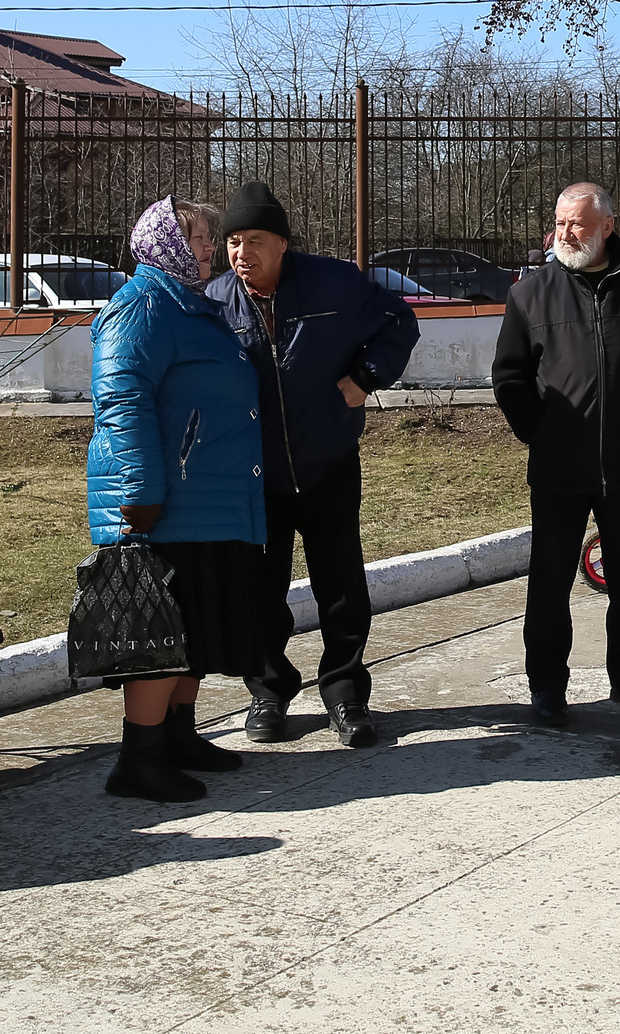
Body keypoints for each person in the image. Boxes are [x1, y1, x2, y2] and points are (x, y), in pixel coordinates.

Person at [205, 180, 419, 750]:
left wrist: (366, 378)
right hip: (256, 475)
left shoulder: (334, 283)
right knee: (260, 587)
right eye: (231, 241)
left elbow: (398, 322)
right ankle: (267, 692)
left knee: (341, 585)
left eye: (252, 240)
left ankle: (345, 692)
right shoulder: (216, 300)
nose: (240, 253)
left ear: (281, 243)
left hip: (327, 462)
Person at [89, 196, 274, 799]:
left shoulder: (192, 306)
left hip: (211, 498)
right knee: (161, 634)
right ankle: (138, 757)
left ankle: (177, 735)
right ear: (165, 240)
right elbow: (121, 398)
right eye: (198, 238)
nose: (209, 250)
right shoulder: (140, 306)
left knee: (192, 626)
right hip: (166, 506)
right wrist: (138, 492)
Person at [492, 181, 620, 723]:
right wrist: (538, 432)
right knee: (551, 580)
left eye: (577, 223)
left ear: (608, 225)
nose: (565, 233)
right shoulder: (530, 293)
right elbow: (509, 376)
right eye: (560, 222)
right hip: (559, 466)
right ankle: (547, 689)